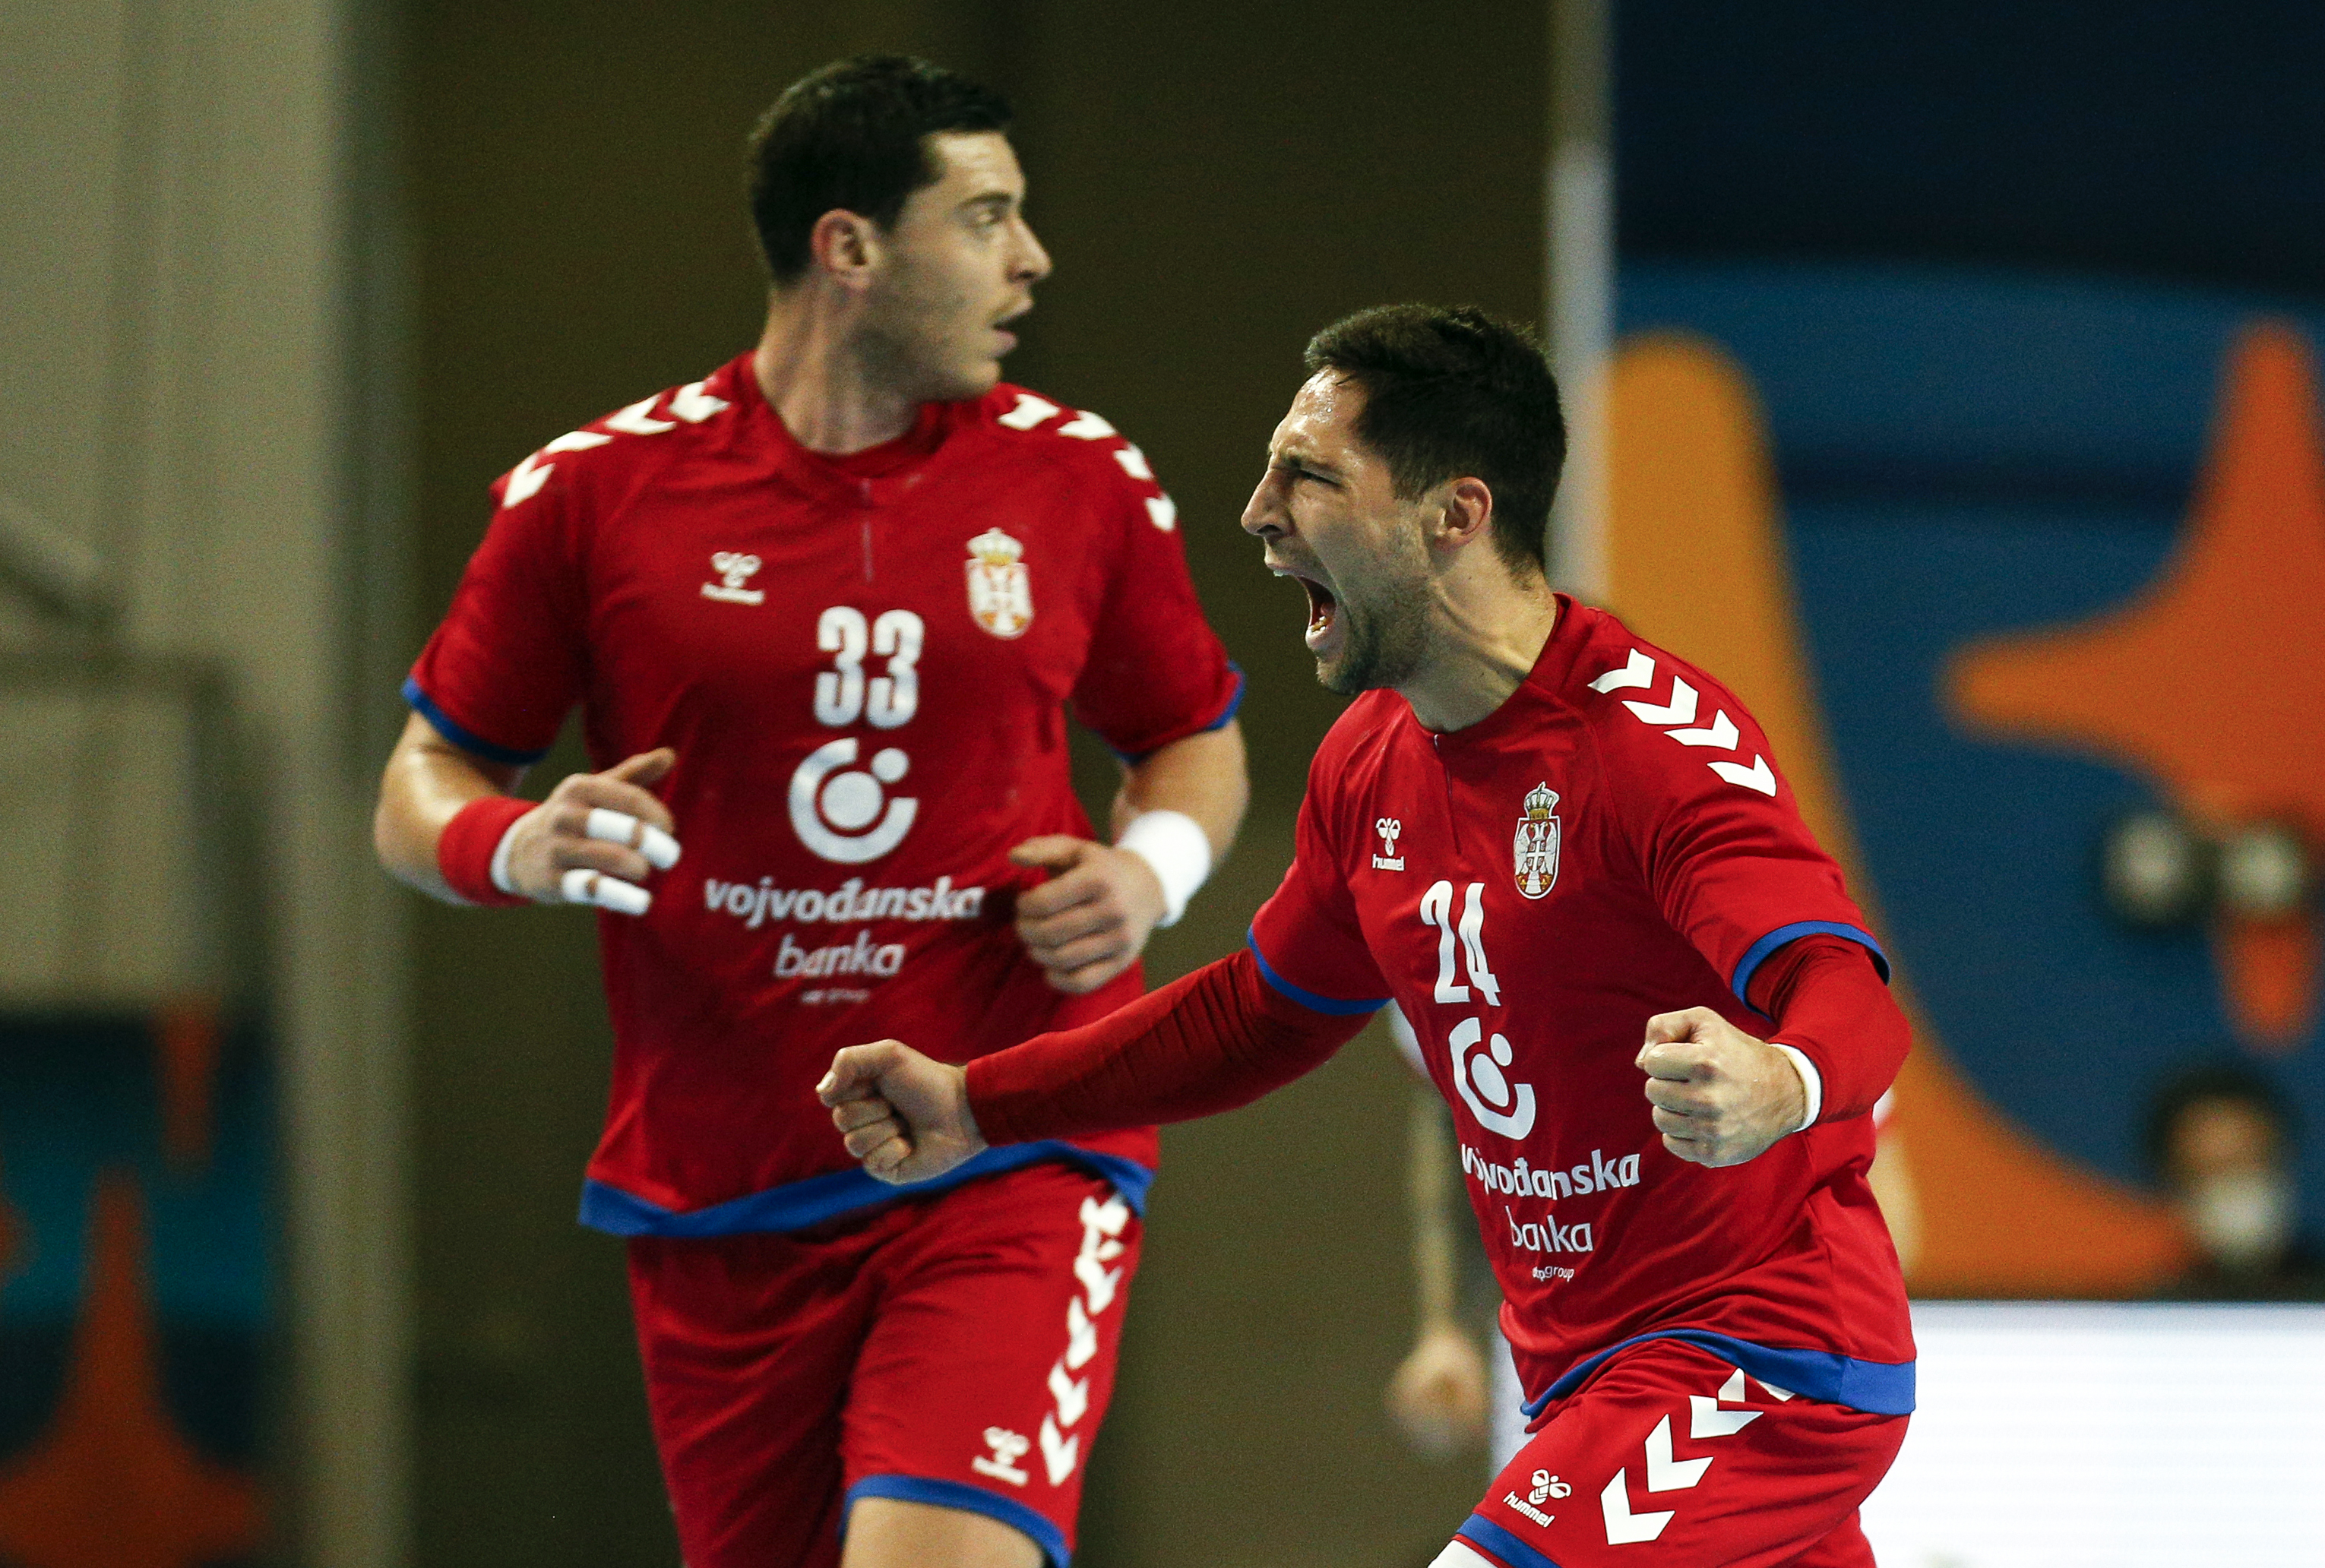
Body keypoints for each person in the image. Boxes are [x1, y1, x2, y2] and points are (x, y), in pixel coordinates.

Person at [822, 304, 1917, 1566]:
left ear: (1452, 515)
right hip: (1584, 1374)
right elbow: (1260, 1011)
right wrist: (977, 1098)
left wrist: (1783, 1076)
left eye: (1310, 474)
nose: (1257, 510)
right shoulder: (1371, 763)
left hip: (1757, 1356)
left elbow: (1840, 984)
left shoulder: (1655, 749)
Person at [372, 56, 1248, 1568]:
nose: (1031, 260)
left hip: (1008, 1138)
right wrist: (514, 842)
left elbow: (1195, 739)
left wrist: (1149, 873)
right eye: (985, 219)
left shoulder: (1080, 480)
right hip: (725, 1194)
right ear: (850, 249)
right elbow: (418, 784)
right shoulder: (592, 495)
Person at [2146, 1060, 2325, 1301]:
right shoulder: (2146, 1317)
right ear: (2172, 1185)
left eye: (2246, 1160)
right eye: (2208, 1171)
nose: (2233, 1185)